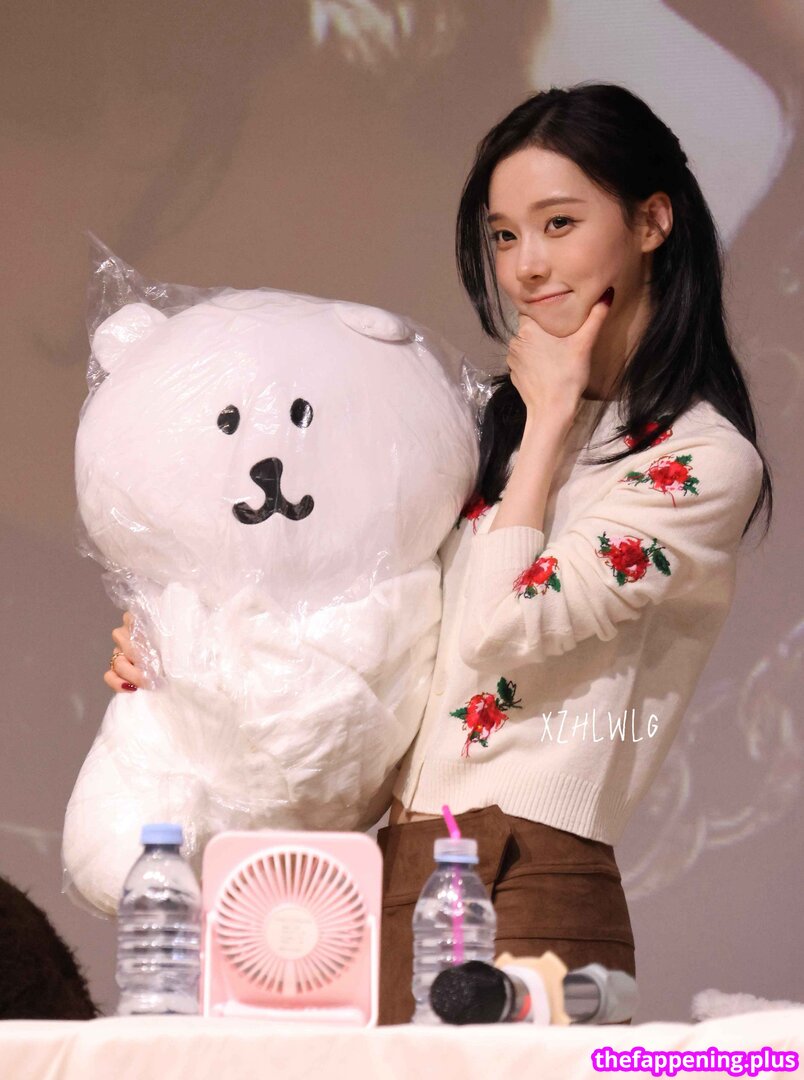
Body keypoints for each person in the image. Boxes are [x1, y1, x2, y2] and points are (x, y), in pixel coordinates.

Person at [104, 83, 773, 1025]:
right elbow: (367, 616)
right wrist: (188, 653)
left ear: (652, 221)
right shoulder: (480, 430)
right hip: (388, 869)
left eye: (559, 223)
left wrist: (548, 422)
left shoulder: (701, 462)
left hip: (533, 872)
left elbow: (508, 622)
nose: (528, 265)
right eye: (504, 235)